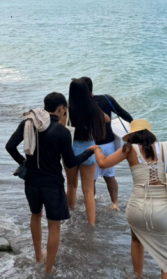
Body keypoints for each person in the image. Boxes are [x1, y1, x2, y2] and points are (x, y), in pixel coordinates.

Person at [5, 93, 97, 274]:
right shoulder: (62, 132)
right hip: (52, 184)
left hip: (31, 182)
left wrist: (23, 162)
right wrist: (89, 152)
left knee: (35, 215)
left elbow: (10, 146)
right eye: (65, 110)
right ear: (62, 109)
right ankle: (48, 269)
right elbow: (71, 162)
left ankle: (39, 255)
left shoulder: (28, 123)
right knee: (54, 226)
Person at [94, 120, 167, 279]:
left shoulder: (128, 149)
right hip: (163, 210)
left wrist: (97, 149)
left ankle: (138, 276)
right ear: (150, 134)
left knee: (137, 241)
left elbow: (103, 163)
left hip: (137, 208)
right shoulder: (165, 148)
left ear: (132, 135)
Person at [79, 76, 133, 211]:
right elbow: (126, 116)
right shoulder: (106, 99)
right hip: (109, 146)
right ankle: (115, 203)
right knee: (110, 176)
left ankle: (92, 203)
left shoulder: (80, 104)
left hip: (91, 147)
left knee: (91, 180)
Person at [65, 79, 109, 225]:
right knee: (89, 190)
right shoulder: (94, 109)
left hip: (71, 150)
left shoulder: (68, 109)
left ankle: (70, 214)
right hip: (90, 150)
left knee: (71, 185)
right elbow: (107, 119)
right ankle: (91, 223)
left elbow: (61, 126)